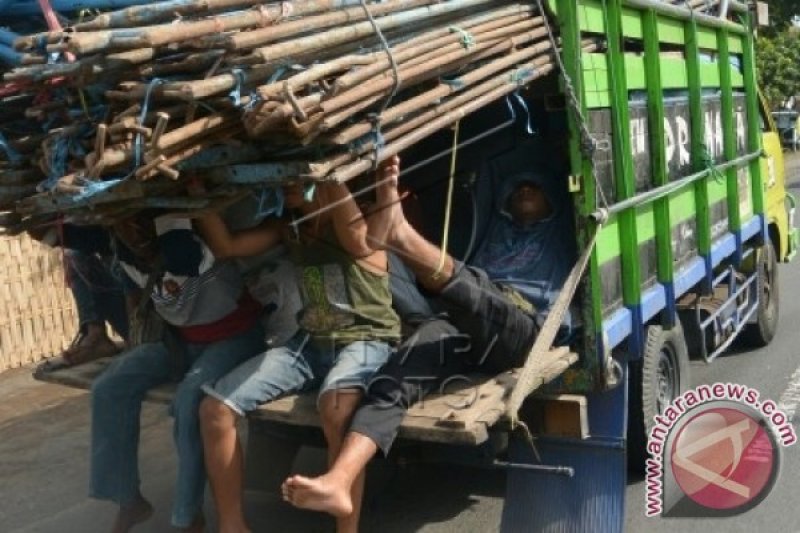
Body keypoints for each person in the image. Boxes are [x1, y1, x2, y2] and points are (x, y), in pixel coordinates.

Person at [281, 153, 576, 519]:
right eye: (517, 188)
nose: (525, 191)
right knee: (394, 377)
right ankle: (339, 479)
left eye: (535, 187)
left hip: (526, 324)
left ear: (553, 200)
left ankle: (400, 234)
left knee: (481, 297)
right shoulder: (494, 232)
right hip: (458, 317)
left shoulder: (562, 233)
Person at [198, 180, 400, 533]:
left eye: (300, 179)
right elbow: (226, 246)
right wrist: (198, 192)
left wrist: (330, 174)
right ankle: (232, 526)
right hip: (308, 343)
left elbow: (354, 238)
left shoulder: (362, 228)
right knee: (213, 410)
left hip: (367, 340)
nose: (288, 186)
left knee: (336, 409)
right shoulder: (289, 229)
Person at [89, 213, 267, 533]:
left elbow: (184, 254)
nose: (133, 232)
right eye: (124, 226)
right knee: (109, 387)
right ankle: (128, 500)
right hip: (180, 344)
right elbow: (135, 306)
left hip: (235, 339)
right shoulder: (127, 261)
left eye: (140, 222)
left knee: (189, 402)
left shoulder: (192, 247)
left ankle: (188, 515)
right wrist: (135, 345)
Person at [29, 223, 128, 367]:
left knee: (80, 256)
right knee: (75, 256)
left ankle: (134, 339)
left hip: (151, 328)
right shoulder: (101, 240)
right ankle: (96, 335)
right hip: (132, 322)